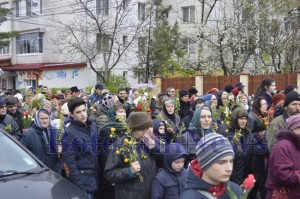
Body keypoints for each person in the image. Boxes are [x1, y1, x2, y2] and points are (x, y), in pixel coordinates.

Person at [104, 112, 163, 199]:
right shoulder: (121, 145)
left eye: (148, 128)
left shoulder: (152, 140)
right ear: (134, 129)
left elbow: (164, 162)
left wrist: (154, 149)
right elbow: (109, 174)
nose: (148, 131)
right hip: (129, 195)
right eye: (144, 129)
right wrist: (129, 171)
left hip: (151, 193)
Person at [179, 133, 242, 199]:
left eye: (231, 161)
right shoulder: (189, 197)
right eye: (221, 162)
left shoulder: (235, 190)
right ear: (204, 164)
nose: (229, 168)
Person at [62, 97, 97, 198]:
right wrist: (81, 190)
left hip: (94, 179)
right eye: (78, 112)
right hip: (82, 182)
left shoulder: (92, 126)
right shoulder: (69, 133)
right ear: (72, 114)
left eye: (84, 110)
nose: (82, 114)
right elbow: (70, 164)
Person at [265, 114, 300, 198]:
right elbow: (283, 175)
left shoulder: (297, 145)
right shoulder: (283, 146)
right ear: (294, 129)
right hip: (285, 195)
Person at [20, 109, 61, 173]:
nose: (45, 121)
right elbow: (22, 155)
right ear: (36, 119)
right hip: (37, 172)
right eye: (42, 119)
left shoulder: (54, 130)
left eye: (47, 118)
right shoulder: (28, 134)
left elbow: (57, 150)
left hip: (54, 171)